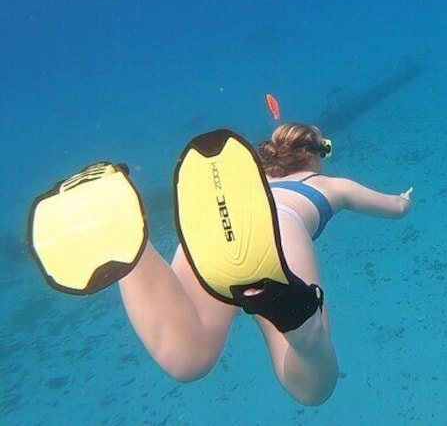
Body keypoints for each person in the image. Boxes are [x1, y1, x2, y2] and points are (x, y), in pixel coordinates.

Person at [28, 123, 413, 406]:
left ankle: (132, 243)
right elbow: (392, 208)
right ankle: (300, 325)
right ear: (315, 153)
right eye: (325, 150)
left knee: (188, 359)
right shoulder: (330, 185)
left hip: (210, 232)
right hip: (279, 233)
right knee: (312, 387)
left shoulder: (253, 177)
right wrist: (403, 201)